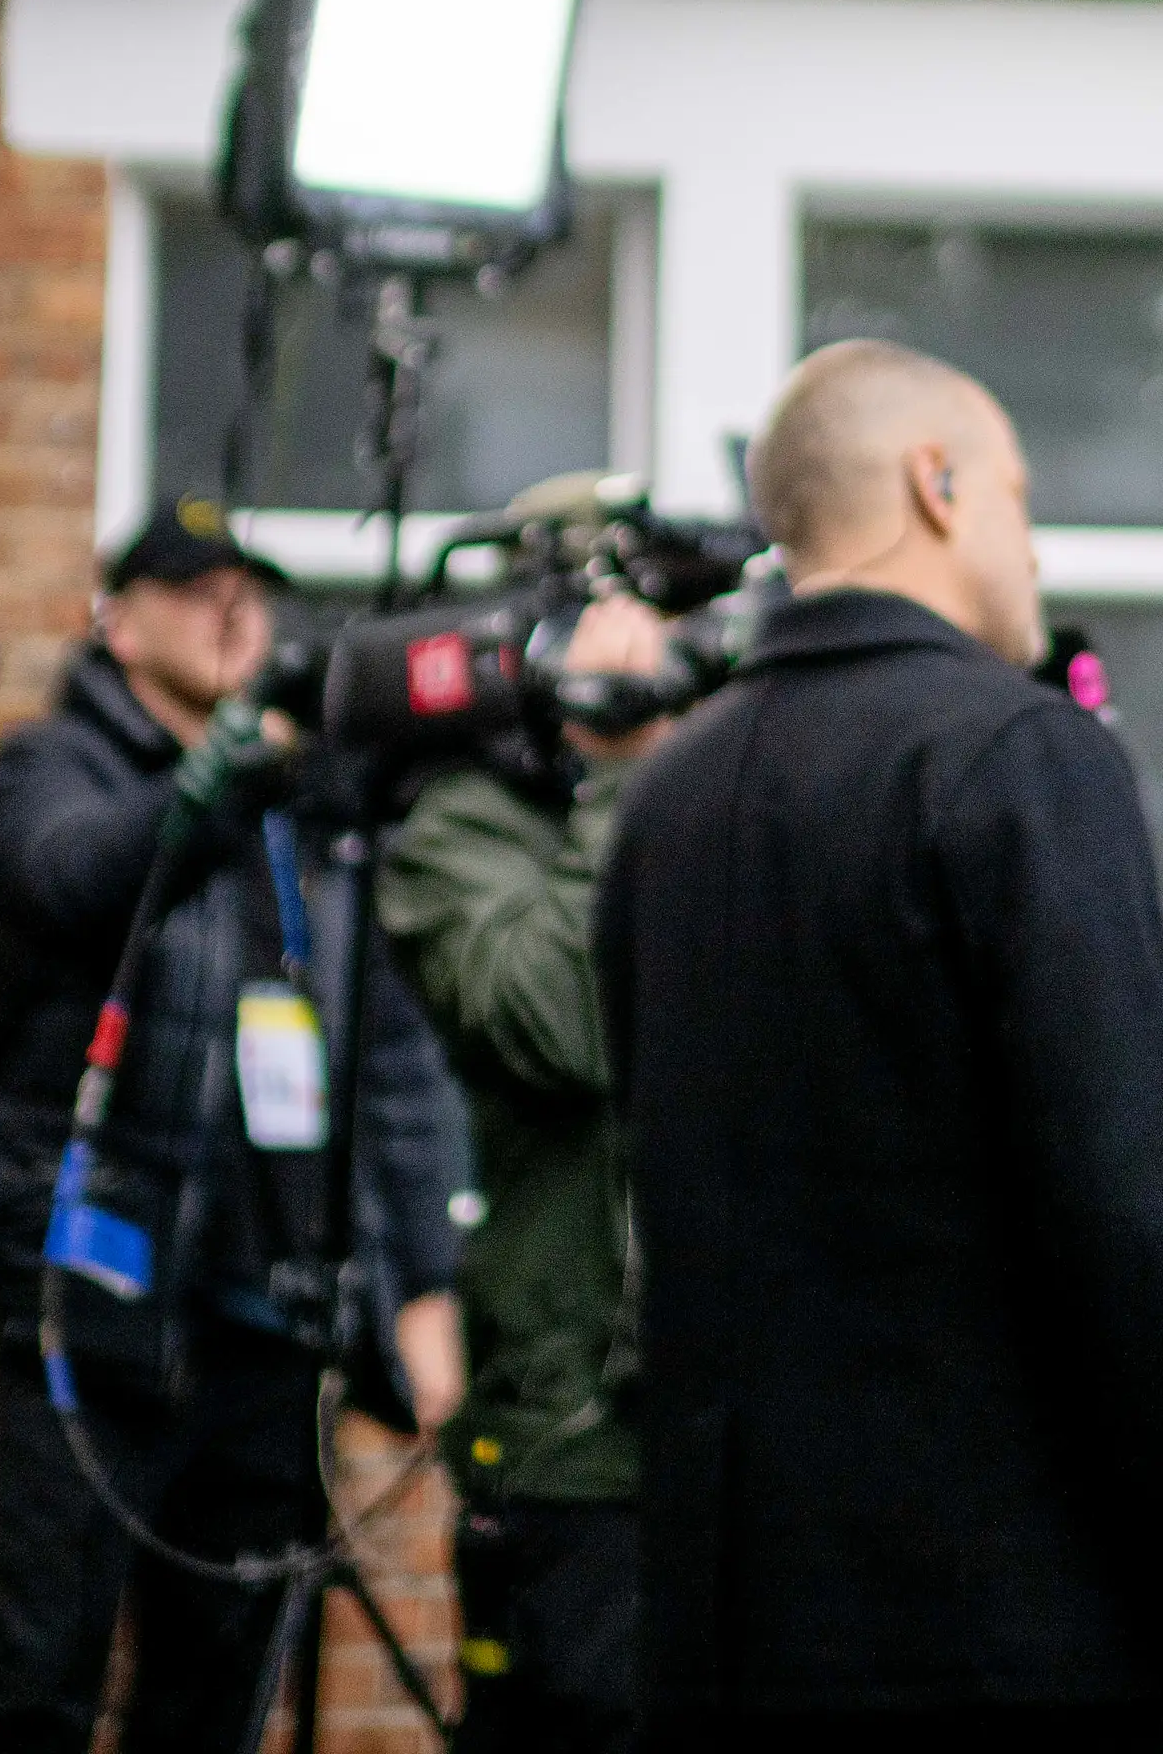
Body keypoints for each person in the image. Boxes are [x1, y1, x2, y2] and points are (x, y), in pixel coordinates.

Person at [596, 340, 1163, 1754]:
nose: (1029, 546)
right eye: (1016, 494)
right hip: (994, 1625)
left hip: (716, 1626)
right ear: (936, 485)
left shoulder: (668, 795)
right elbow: (1129, 1189)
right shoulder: (1015, 757)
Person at [0, 497, 471, 1754]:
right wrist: (227, 770)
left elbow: (391, 1059)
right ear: (116, 623)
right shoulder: (51, 766)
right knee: (38, 1670)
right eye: (193, 588)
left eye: (251, 586)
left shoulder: (319, 816)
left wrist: (421, 1283)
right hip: (101, 1295)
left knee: (220, 1688)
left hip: (270, 1321)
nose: (234, 609)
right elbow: (69, 877)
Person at [378, 489, 687, 1754]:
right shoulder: (456, 833)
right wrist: (626, 777)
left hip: (752, 1436)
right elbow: (562, 1017)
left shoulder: (727, 797)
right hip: (580, 1449)